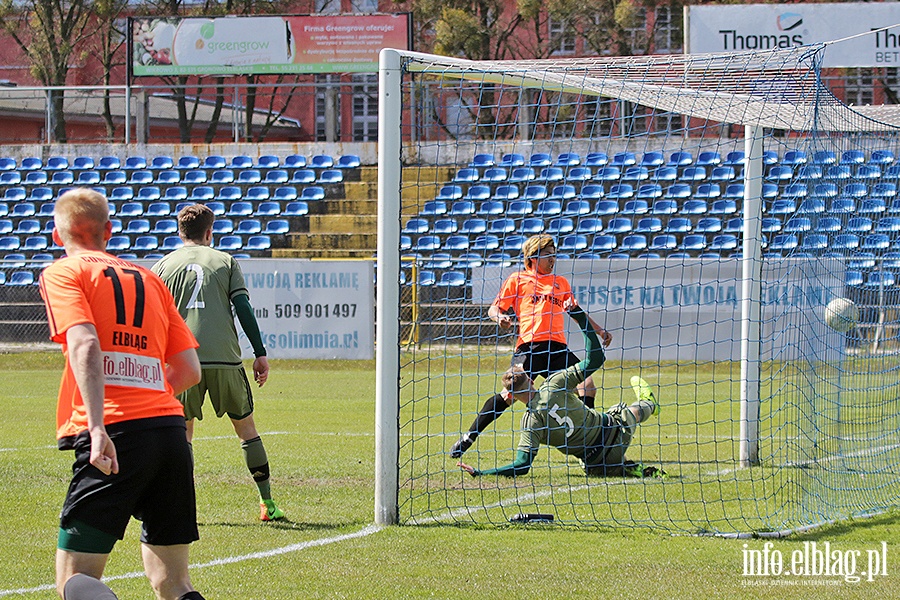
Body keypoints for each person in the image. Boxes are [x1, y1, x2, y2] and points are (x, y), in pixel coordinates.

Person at [39, 188, 206, 600]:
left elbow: (85, 344)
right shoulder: (149, 278)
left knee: (76, 582)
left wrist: (96, 427)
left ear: (58, 236)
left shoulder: (64, 272)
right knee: (174, 584)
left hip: (114, 434)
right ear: (110, 231)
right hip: (169, 434)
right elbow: (188, 370)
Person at [152, 204, 285, 522]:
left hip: (183, 361)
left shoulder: (162, 266)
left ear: (180, 231)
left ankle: (180, 507)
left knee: (182, 435)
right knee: (247, 430)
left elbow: (154, 318)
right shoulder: (225, 261)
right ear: (209, 232)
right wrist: (260, 352)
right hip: (225, 360)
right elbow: (243, 308)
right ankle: (267, 503)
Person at [457, 298, 661, 478]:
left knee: (598, 458)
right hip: (614, 432)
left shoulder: (530, 422)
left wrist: (482, 473)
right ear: (532, 379)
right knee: (627, 412)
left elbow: (522, 465)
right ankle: (650, 404)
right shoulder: (554, 384)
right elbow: (596, 358)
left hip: (595, 463)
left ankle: (624, 467)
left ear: (511, 395)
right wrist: (580, 318)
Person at [450, 234, 612, 458]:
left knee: (588, 385)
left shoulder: (561, 283)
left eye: (554, 254)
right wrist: (500, 318)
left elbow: (576, 313)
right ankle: (469, 437)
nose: (552, 258)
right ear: (533, 257)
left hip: (557, 349)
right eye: (547, 254)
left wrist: (599, 330)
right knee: (509, 395)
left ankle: (588, 440)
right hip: (529, 348)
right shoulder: (517, 280)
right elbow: (493, 309)